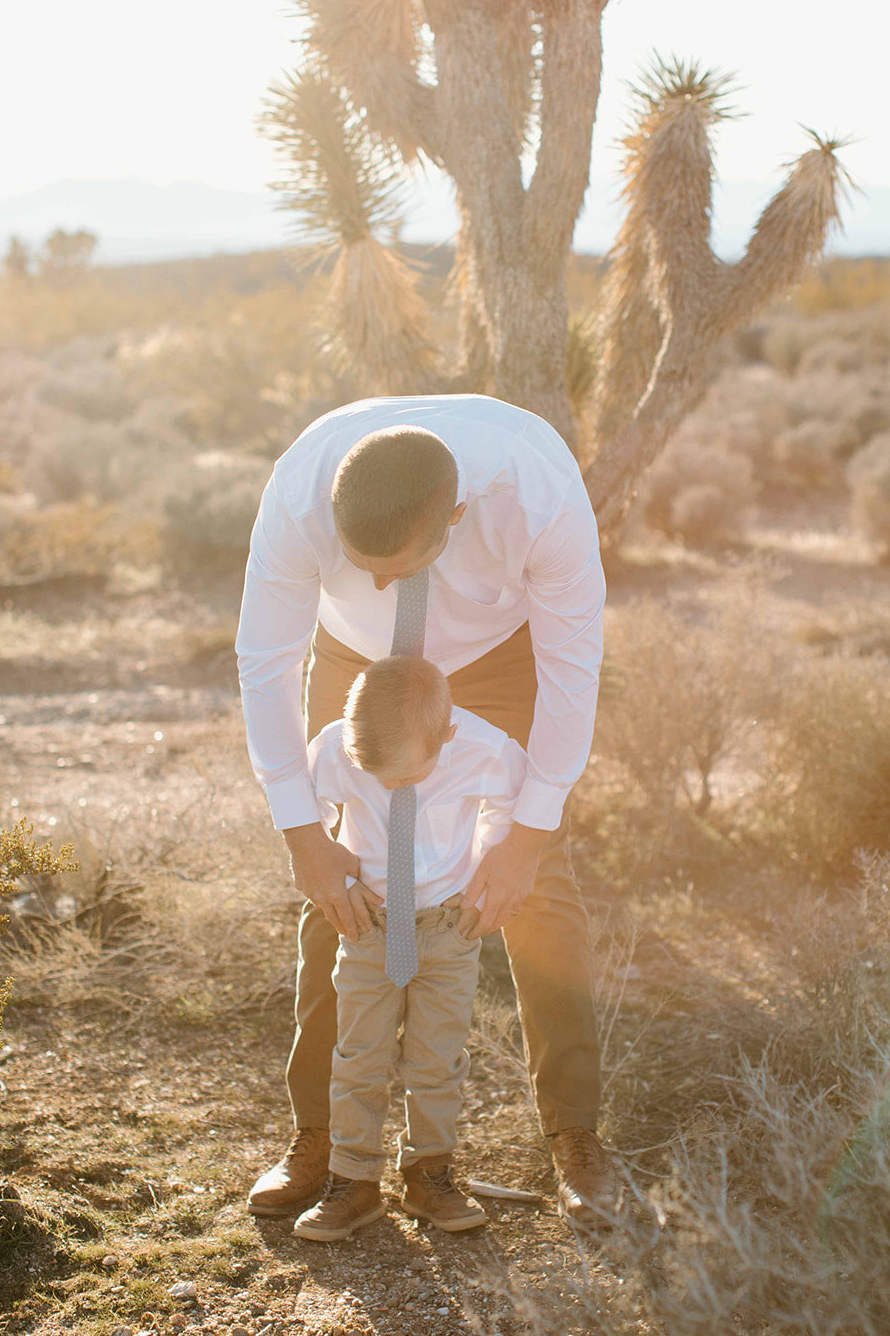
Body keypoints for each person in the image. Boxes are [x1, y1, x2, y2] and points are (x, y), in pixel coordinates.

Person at [237, 394, 618, 1226]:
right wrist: (301, 832)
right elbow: (263, 662)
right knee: (341, 878)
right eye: (360, 560)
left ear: (454, 515)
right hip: (358, 660)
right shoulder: (301, 492)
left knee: (537, 886)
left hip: (496, 656)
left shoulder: (538, 499)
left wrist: (524, 837)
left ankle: (575, 1136)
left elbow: (570, 674)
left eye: (395, 565)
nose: (376, 581)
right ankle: (323, 1138)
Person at [294, 655, 525, 1242]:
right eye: (376, 776)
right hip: (368, 926)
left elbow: (514, 803)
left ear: (445, 737)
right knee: (359, 1054)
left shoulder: (482, 746)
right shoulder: (334, 747)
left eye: (405, 777)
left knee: (437, 1057)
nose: (389, 786)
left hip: (448, 928)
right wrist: (337, 874)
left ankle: (429, 1173)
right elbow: (304, 808)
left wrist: (489, 866)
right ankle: (354, 1182)